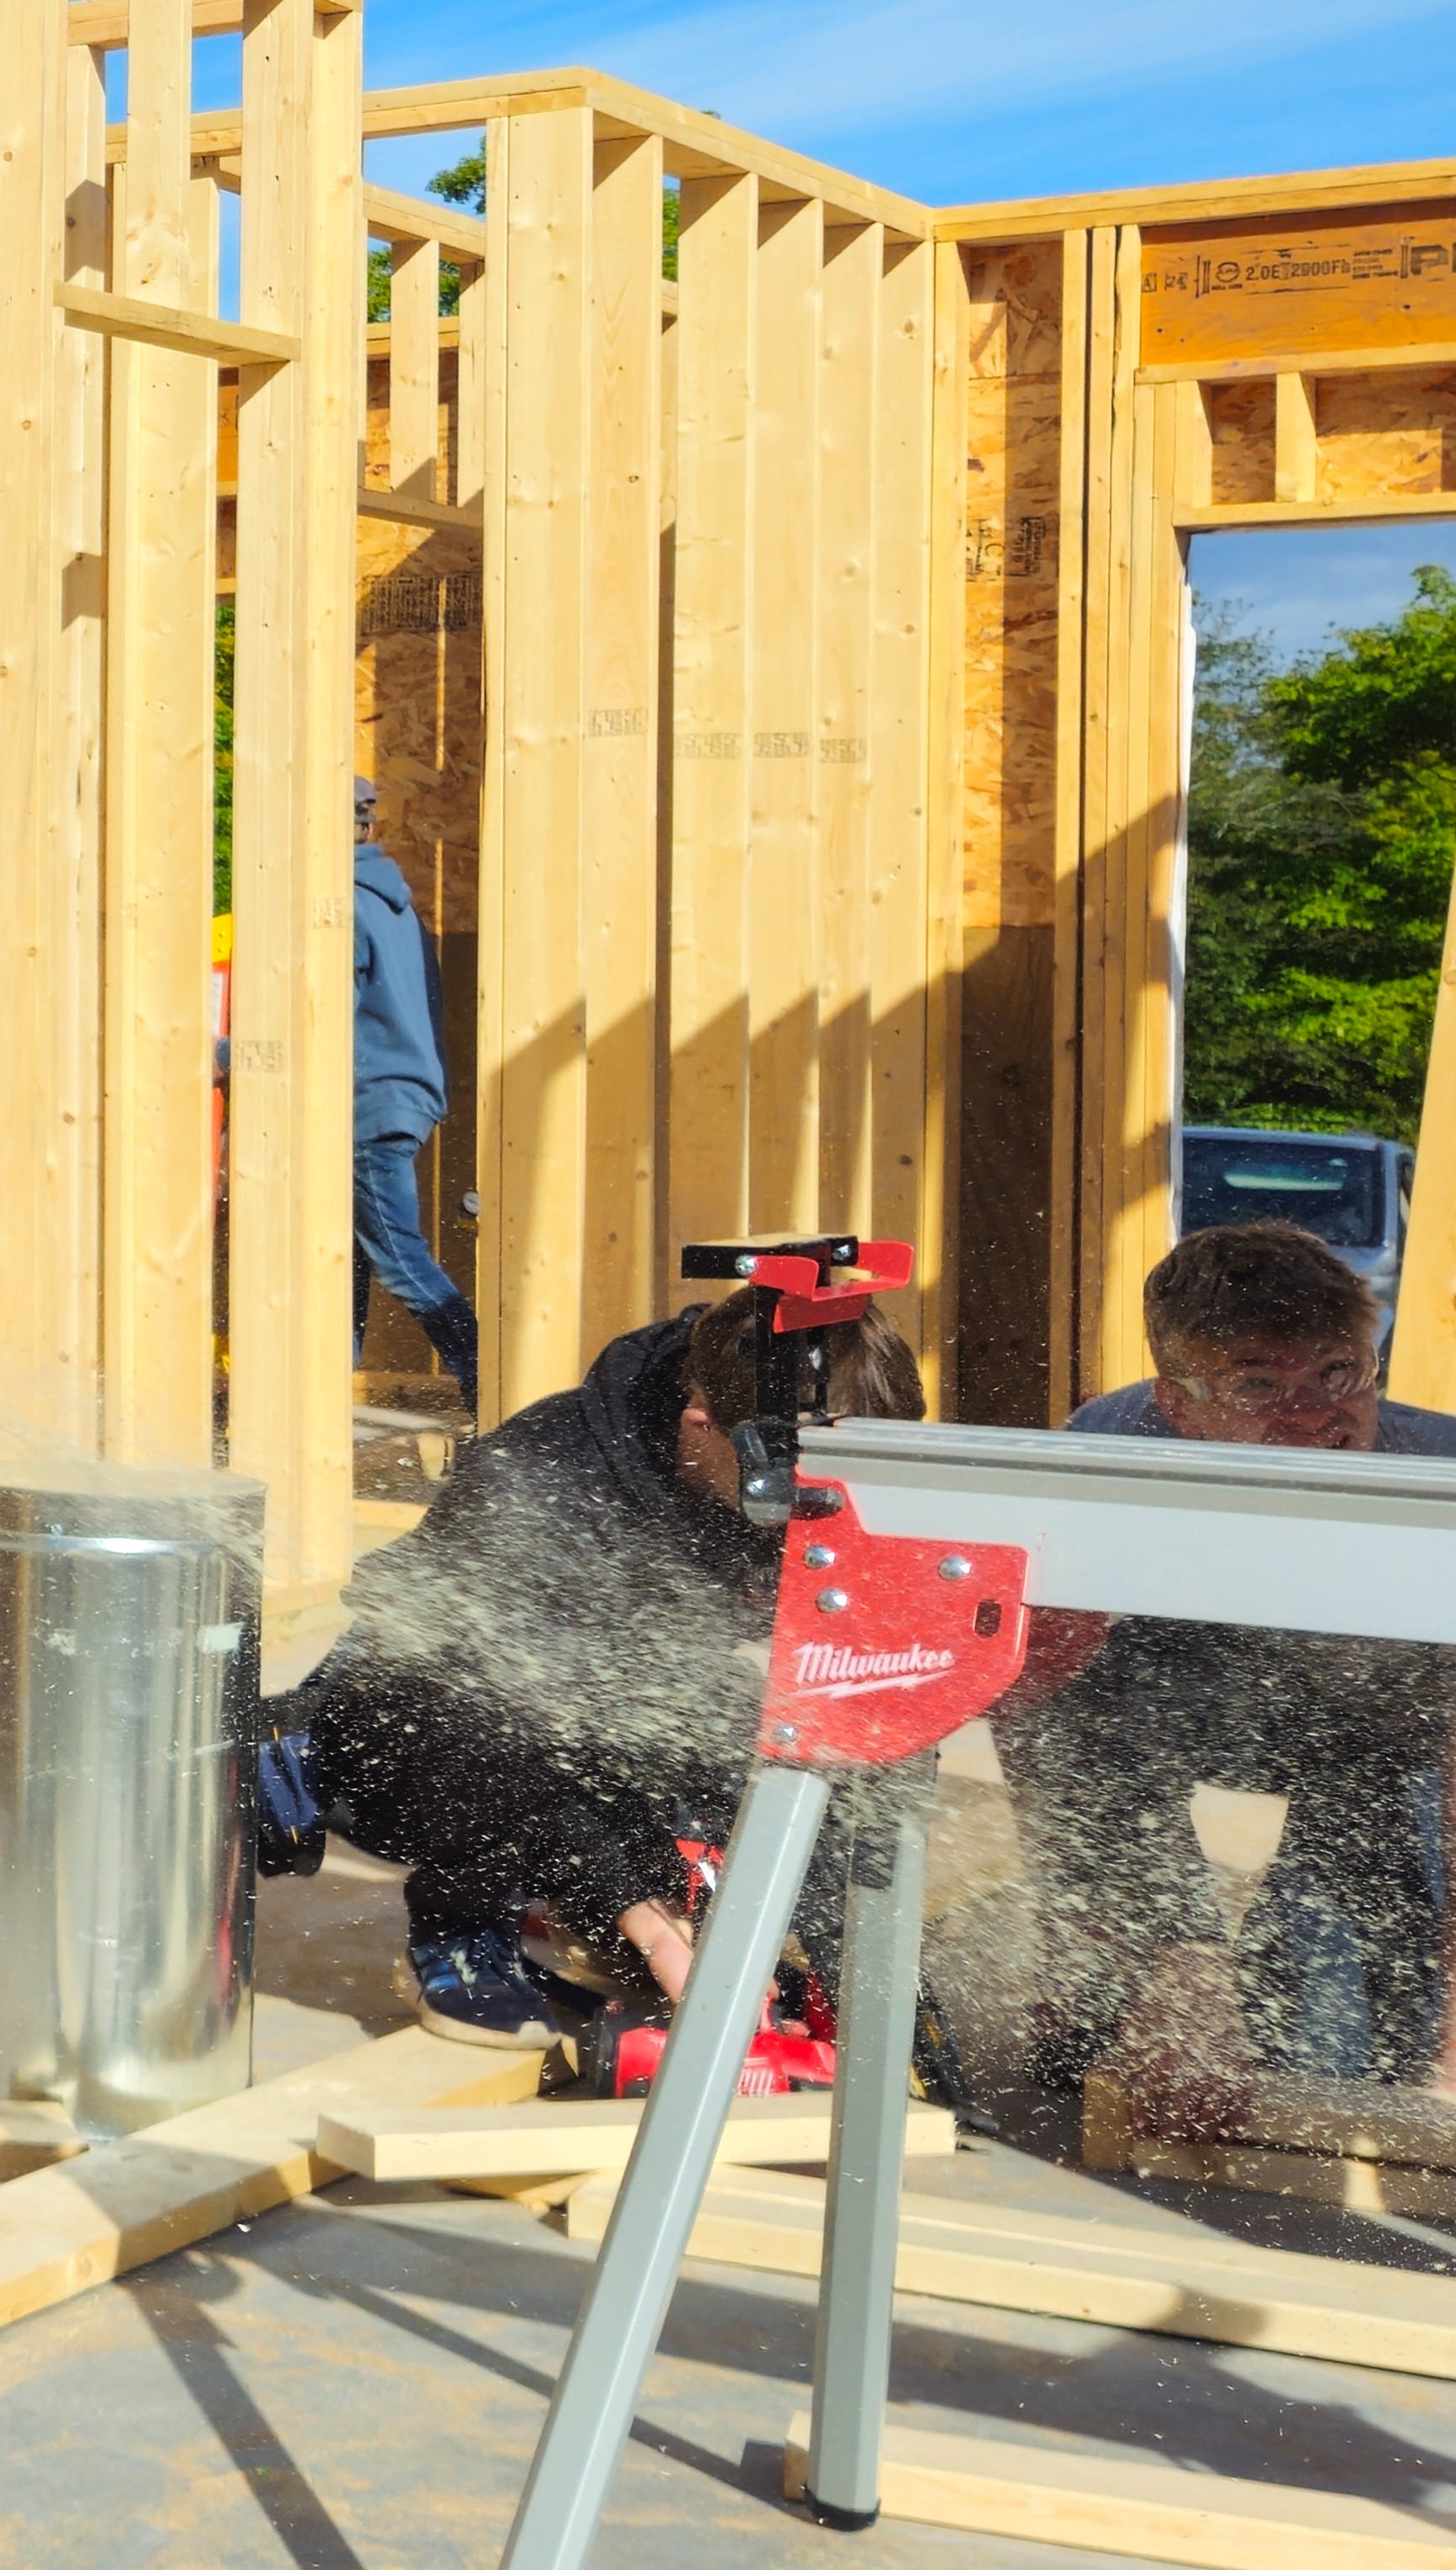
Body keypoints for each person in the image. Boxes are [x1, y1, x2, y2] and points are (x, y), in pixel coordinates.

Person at [1000, 1222, 1456, 2108]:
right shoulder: (1106, 1460)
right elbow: (1051, 1733)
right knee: (1097, 2048)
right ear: (1180, 1406)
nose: (1309, 1414)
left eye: (1336, 1374)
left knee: (1326, 2059)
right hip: (1211, 1703)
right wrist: (1154, 1970)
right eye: (1259, 1385)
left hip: (1400, 1737)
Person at [299, 1277, 925, 2051]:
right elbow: (543, 1723)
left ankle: (597, 1917)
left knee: (734, 1720)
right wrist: (642, 1913)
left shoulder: (753, 1448)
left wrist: (824, 1936)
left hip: (595, 1702)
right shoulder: (535, 1488)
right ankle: (460, 1931)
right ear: (700, 1424)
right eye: (789, 1486)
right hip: (418, 1730)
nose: (811, 1508)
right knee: (488, 1713)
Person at [351, 775, 477, 1390]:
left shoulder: (338, 907)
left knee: (399, 1260)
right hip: (402, 1095)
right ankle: (321, 1399)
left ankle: (489, 1386)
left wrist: (221, 1052)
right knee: (341, 1256)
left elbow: (318, 1021)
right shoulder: (394, 904)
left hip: (368, 1105)